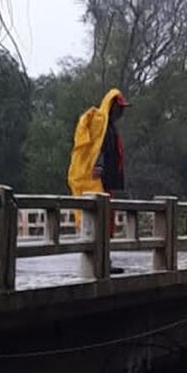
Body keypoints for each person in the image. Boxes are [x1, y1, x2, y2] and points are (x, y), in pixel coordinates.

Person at [66, 87, 131, 274]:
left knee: (105, 224)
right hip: (97, 182)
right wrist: (98, 166)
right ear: (111, 107)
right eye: (119, 108)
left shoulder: (109, 126)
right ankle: (97, 262)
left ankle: (104, 261)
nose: (121, 113)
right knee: (97, 223)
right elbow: (96, 147)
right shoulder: (100, 123)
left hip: (106, 183)